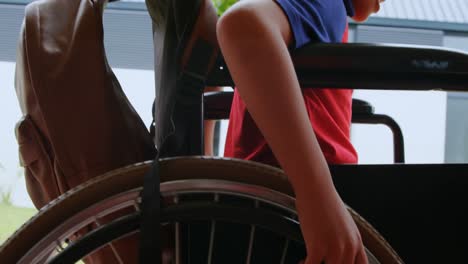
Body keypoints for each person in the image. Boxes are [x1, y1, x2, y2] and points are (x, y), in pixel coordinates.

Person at [216, 0, 383, 263]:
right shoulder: (326, 4)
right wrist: (318, 200)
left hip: (273, 204)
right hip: (288, 212)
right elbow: (243, 25)